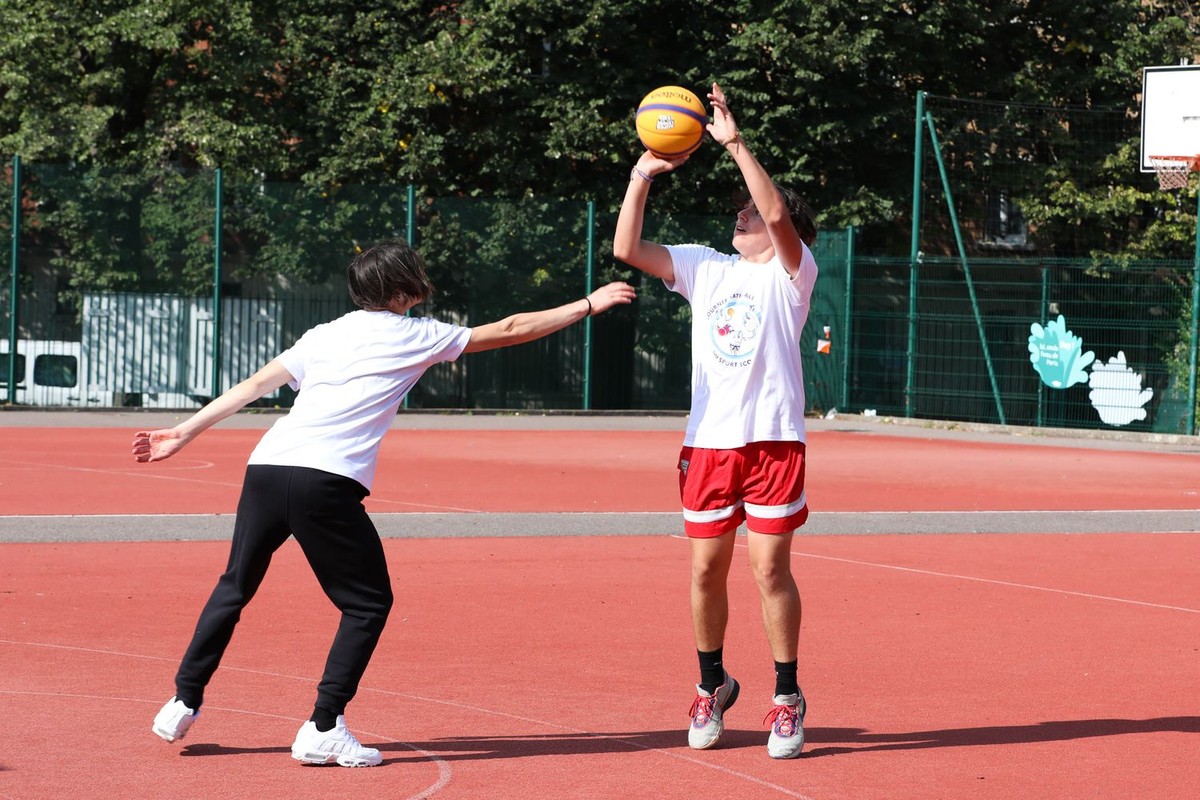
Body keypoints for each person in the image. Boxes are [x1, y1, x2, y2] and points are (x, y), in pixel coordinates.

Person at [134, 239, 636, 767]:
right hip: (323, 481)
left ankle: (182, 700)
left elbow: (257, 384)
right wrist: (586, 304)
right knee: (368, 603)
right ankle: (323, 725)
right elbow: (510, 330)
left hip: (266, 467)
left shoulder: (325, 333)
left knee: (235, 585)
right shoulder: (416, 334)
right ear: (402, 289)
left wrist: (184, 431)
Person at [612, 83, 818, 759]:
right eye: (739, 213)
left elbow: (777, 209)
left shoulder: (793, 274)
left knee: (767, 569)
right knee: (705, 571)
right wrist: (643, 173)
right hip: (709, 444)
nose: (743, 217)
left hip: (772, 440)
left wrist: (733, 142)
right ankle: (713, 685)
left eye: (749, 214)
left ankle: (786, 698)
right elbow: (628, 247)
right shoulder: (705, 267)